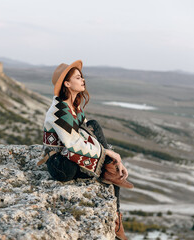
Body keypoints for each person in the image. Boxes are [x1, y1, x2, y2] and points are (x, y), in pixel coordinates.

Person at [38, 60, 134, 240]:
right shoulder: (57, 111)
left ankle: (116, 215)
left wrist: (114, 159)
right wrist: (107, 153)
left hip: (70, 154)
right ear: (67, 83)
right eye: (78, 77)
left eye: (82, 77)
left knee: (93, 126)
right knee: (73, 169)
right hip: (59, 163)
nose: (83, 80)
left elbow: (86, 134)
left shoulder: (75, 107)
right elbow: (73, 143)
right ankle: (107, 173)